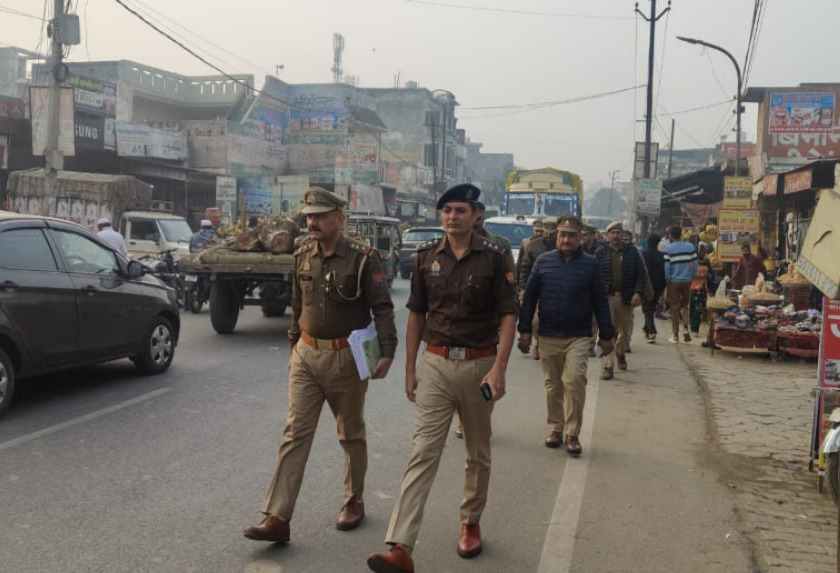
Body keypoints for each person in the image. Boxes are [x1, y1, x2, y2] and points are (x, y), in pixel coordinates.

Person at [367, 183, 517, 573]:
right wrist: (410, 368)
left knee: (477, 452)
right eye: (447, 210)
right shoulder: (425, 258)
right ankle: (400, 545)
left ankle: (470, 521)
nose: (452, 217)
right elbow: (416, 315)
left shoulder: (496, 257)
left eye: (460, 210)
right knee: (423, 451)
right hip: (435, 364)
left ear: (476, 215)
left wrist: (500, 368)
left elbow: (508, 315)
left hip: (479, 366)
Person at [243, 187, 397, 543]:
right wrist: (293, 342)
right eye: (309, 216)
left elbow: (382, 307)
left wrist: (387, 351)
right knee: (294, 433)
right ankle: (277, 517)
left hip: (347, 357)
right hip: (307, 355)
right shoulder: (302, 254)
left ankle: (353, 500)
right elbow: (298, 302)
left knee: (350, 433)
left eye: (320, 216)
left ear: (338, 219)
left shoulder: (363, 258)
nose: (312, 223)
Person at [518, 216, 614, 455]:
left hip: (578, 336)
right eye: (562, 234)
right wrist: (525, 330)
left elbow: (600, 302)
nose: (566, 239)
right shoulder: (543, 262)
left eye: (571, 235)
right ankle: (556, 428)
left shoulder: (591, 265)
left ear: (580, 237)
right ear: (556, 236)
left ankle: (572, 433)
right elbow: (529, 298)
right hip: (548, 334)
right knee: (553, 386)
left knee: (574, 380)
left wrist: (606, 335)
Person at [599, 221, 646, 380]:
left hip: (625, 298)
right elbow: (593, 275)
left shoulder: (632, 252)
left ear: (622, 235)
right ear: (607, 235)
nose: (616, 236)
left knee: (625, 332)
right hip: (606, 298)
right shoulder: (600, 252)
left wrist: (638, 293)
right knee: (607, 331)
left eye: (618, 232)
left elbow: (641, 274)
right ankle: (608, 365)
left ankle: (620, 352)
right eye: (613, 233)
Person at [517, 217, 557, 361]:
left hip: (556, 290)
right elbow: (524, 268)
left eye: (552, 228)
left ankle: (545, 344)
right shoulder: (533, 246)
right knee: (536, 321)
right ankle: (537, 342)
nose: (549, 232)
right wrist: (522, 288)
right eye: (547, 228)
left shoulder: (560, 245)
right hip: (535, 290)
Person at [663, 225, 699, 343]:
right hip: (687, 281)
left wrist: (667, 281)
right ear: (681, 234)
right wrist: (692, 276)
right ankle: (686, 329)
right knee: (685, 306)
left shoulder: (668, 248)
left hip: (674, 281)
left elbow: (667, 267)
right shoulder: (690, 246)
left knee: (674, 307)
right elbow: (695, 264)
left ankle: (675, 335)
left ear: (670, 236)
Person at [642, 232, 666, 343]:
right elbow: (663, 272)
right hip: (658, 286)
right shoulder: (661, 255)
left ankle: (651, 331)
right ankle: (647, 328)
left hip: (646, 285)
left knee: (647, 309)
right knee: (650, 308)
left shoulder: (643, 254)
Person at [689, 244, 712, 337]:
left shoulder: (693, 264)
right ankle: (694, 328)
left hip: (694, 289)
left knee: (694, 309)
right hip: (700, 290)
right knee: (696, 310)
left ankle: (694, 328)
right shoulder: (706, 265)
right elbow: (710, 277)